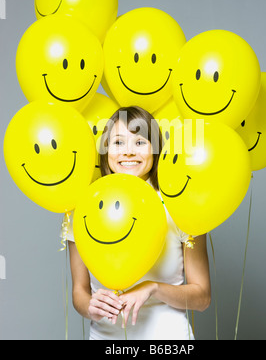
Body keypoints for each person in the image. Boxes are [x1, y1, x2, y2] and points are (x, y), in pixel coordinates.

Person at [67, 106, 211, 340]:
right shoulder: (85, 209)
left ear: (155, 149)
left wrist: (152, 288)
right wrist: (90, 306)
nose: (128, 152)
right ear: (105, 150)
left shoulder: (180, 206)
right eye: (118, 143)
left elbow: (202, 298)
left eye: (140, 142)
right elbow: (79, 293)